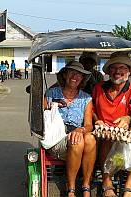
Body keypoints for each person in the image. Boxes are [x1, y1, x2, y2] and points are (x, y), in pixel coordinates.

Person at [92, 53, 131, 197]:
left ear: (128, 71)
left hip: (124, 134)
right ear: (109, 71)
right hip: (104, 134)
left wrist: (128, 119)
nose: (118, 71)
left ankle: (129, 184)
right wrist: (97, 120)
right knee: (108, 136)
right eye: (114, 67)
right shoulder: (99, 88)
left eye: (122, 67)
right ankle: (106, 182)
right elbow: (91, 110)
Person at [44, 61, 96, 197]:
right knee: (77, 142)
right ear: (65, 75)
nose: (75, 77)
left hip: (78, 134)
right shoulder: (51, 93)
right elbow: (41, 115)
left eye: (79, 74)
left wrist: (80, 130)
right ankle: (71, 188)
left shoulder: (86, 98)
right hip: (57, 138)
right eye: (71, 73)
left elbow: (89, 125)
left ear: (82, 79)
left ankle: (86, 185)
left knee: (90, 139)